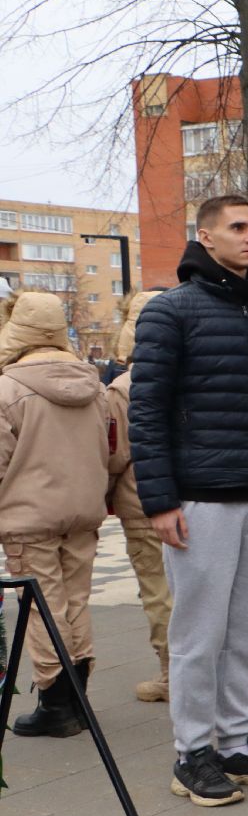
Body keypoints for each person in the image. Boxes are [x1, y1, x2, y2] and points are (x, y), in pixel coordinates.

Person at [129, 193, 248, 807]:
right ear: (206, 237)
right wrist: (159, 500)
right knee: (199, 635)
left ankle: (235, 744)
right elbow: (145, 413)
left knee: (247, 631)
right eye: (237, 227)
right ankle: (192, 755)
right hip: (200, 502)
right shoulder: (170, 312)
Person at [0, 292, 110, 738]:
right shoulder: (94, 385)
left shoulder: (7, 388)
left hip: (29, 515)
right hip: (83, 510)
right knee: (75, 602)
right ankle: (79, 696)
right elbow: (109, 445)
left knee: (43, 608)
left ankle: (57, 702)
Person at [106, 289, 173, 701]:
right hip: (198, 496)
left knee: (158, 589)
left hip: (143, 499)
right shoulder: (194, 374)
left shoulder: (123, 387)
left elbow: (115, 454)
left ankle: (171, 673)